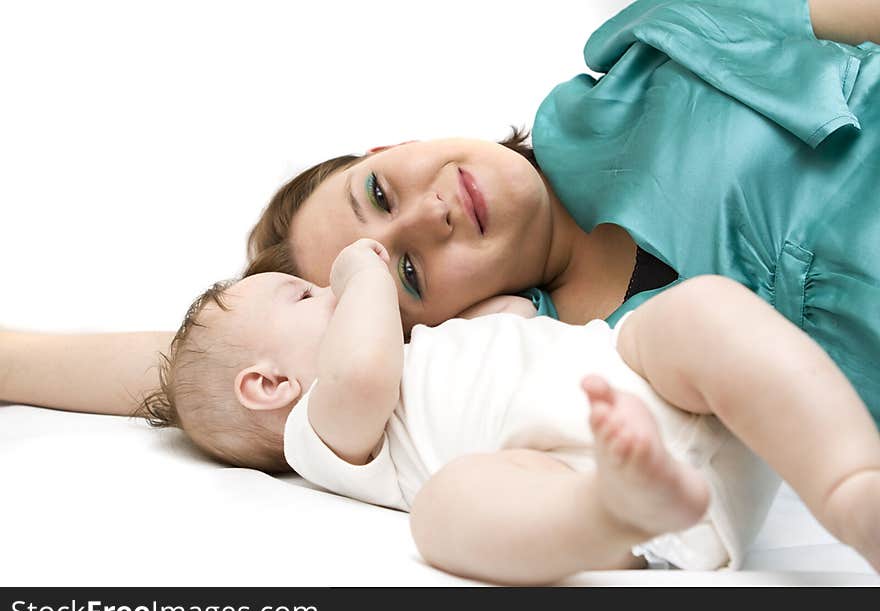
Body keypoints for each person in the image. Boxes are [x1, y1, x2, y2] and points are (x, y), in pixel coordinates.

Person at [1, 0, 878, 436]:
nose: (427, 214)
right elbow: (209, 359)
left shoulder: (645, 48)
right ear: (431, 330)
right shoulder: (576, 364)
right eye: (406, 275)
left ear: (397, 143)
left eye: (378, 190)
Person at [140, 238, 880, 585]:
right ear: (269, 385)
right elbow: (363, 370)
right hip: (594, 478)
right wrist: (359, 270)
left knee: (705, 307)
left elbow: (506, 333)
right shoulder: (317, 429)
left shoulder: (424, 349)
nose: (327, 294)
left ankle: (850, 485)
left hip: (657, 380)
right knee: (447, 508)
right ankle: (610, 511)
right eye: (303, 297)